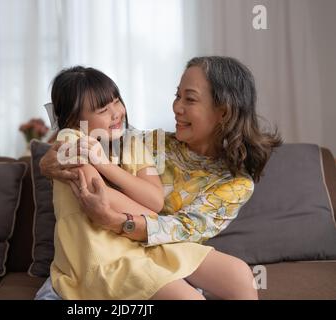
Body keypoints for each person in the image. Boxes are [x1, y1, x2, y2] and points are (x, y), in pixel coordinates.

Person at [36, 57, 282, 300]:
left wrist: (115, 218)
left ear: (223, 112)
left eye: (190, 99)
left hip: (163, 244)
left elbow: (179, 227)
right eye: (177, 96)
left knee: (241, 276)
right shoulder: (150, 142)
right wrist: (46, 163)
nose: (176, 107)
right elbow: (80, 137)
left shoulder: (235, 185)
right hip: (107, 254)